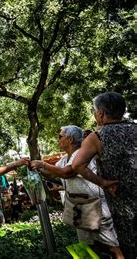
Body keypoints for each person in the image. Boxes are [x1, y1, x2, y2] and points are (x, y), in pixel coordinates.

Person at [31, 125, 123, 258]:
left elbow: (67, 173)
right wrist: (35, 168)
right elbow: (52, 174)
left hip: (94, 206)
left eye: (60, 136)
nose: (58, 139)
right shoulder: (64, 159)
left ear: (70, 139)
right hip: (79, 207)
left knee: (112, 247)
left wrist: (43, 164)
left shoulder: (81, 155)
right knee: (89, 246)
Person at [72, 92, 136, 258]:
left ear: (100, 113)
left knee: (130, 245)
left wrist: (102, 182)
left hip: (122, 199)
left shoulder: (97, 136)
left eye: (94, 111)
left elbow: (77, 165)